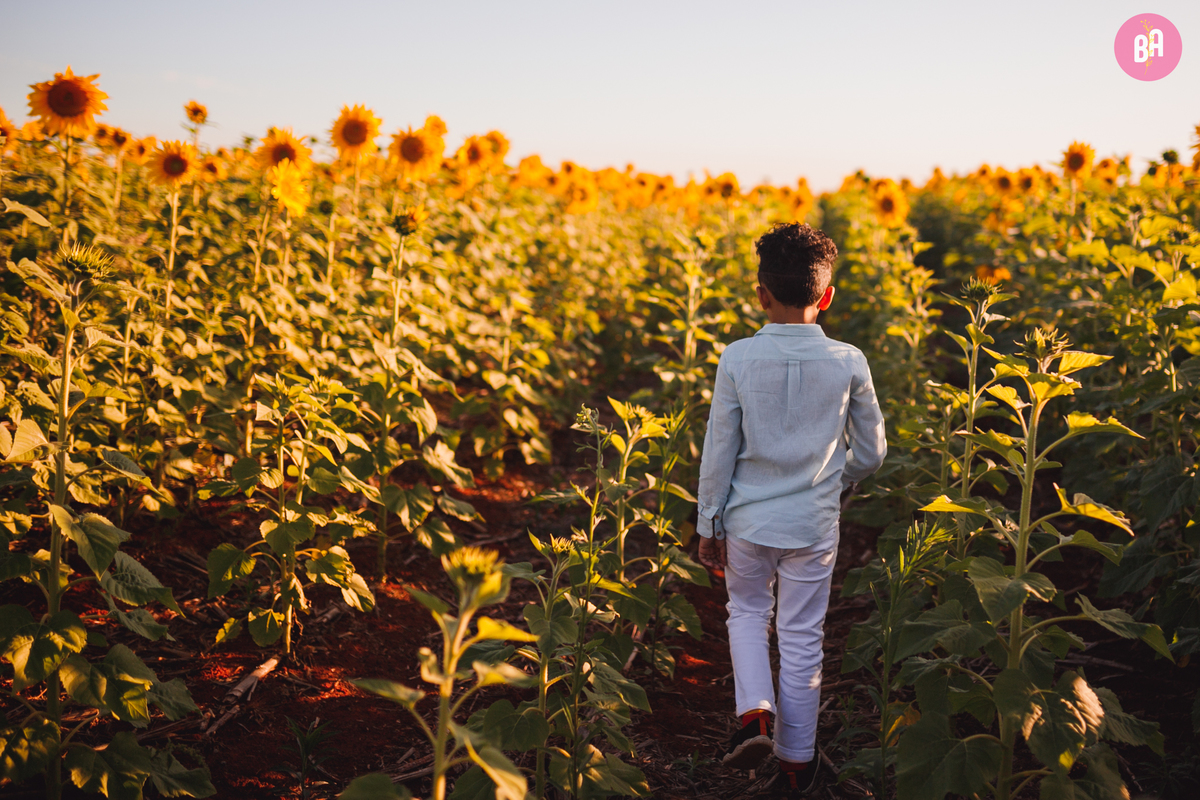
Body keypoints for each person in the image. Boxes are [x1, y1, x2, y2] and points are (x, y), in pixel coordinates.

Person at [695, 222, 886, 798]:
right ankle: (798, 763)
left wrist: (709, 522)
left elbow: (719, 449)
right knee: (803, 636)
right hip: (813, 526)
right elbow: (873, 453)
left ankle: (753, 715)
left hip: (749, 523)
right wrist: (837, 480)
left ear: (761, 294)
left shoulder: (738, 358)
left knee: (748, 613)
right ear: (826, 296)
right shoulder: (849, 361)